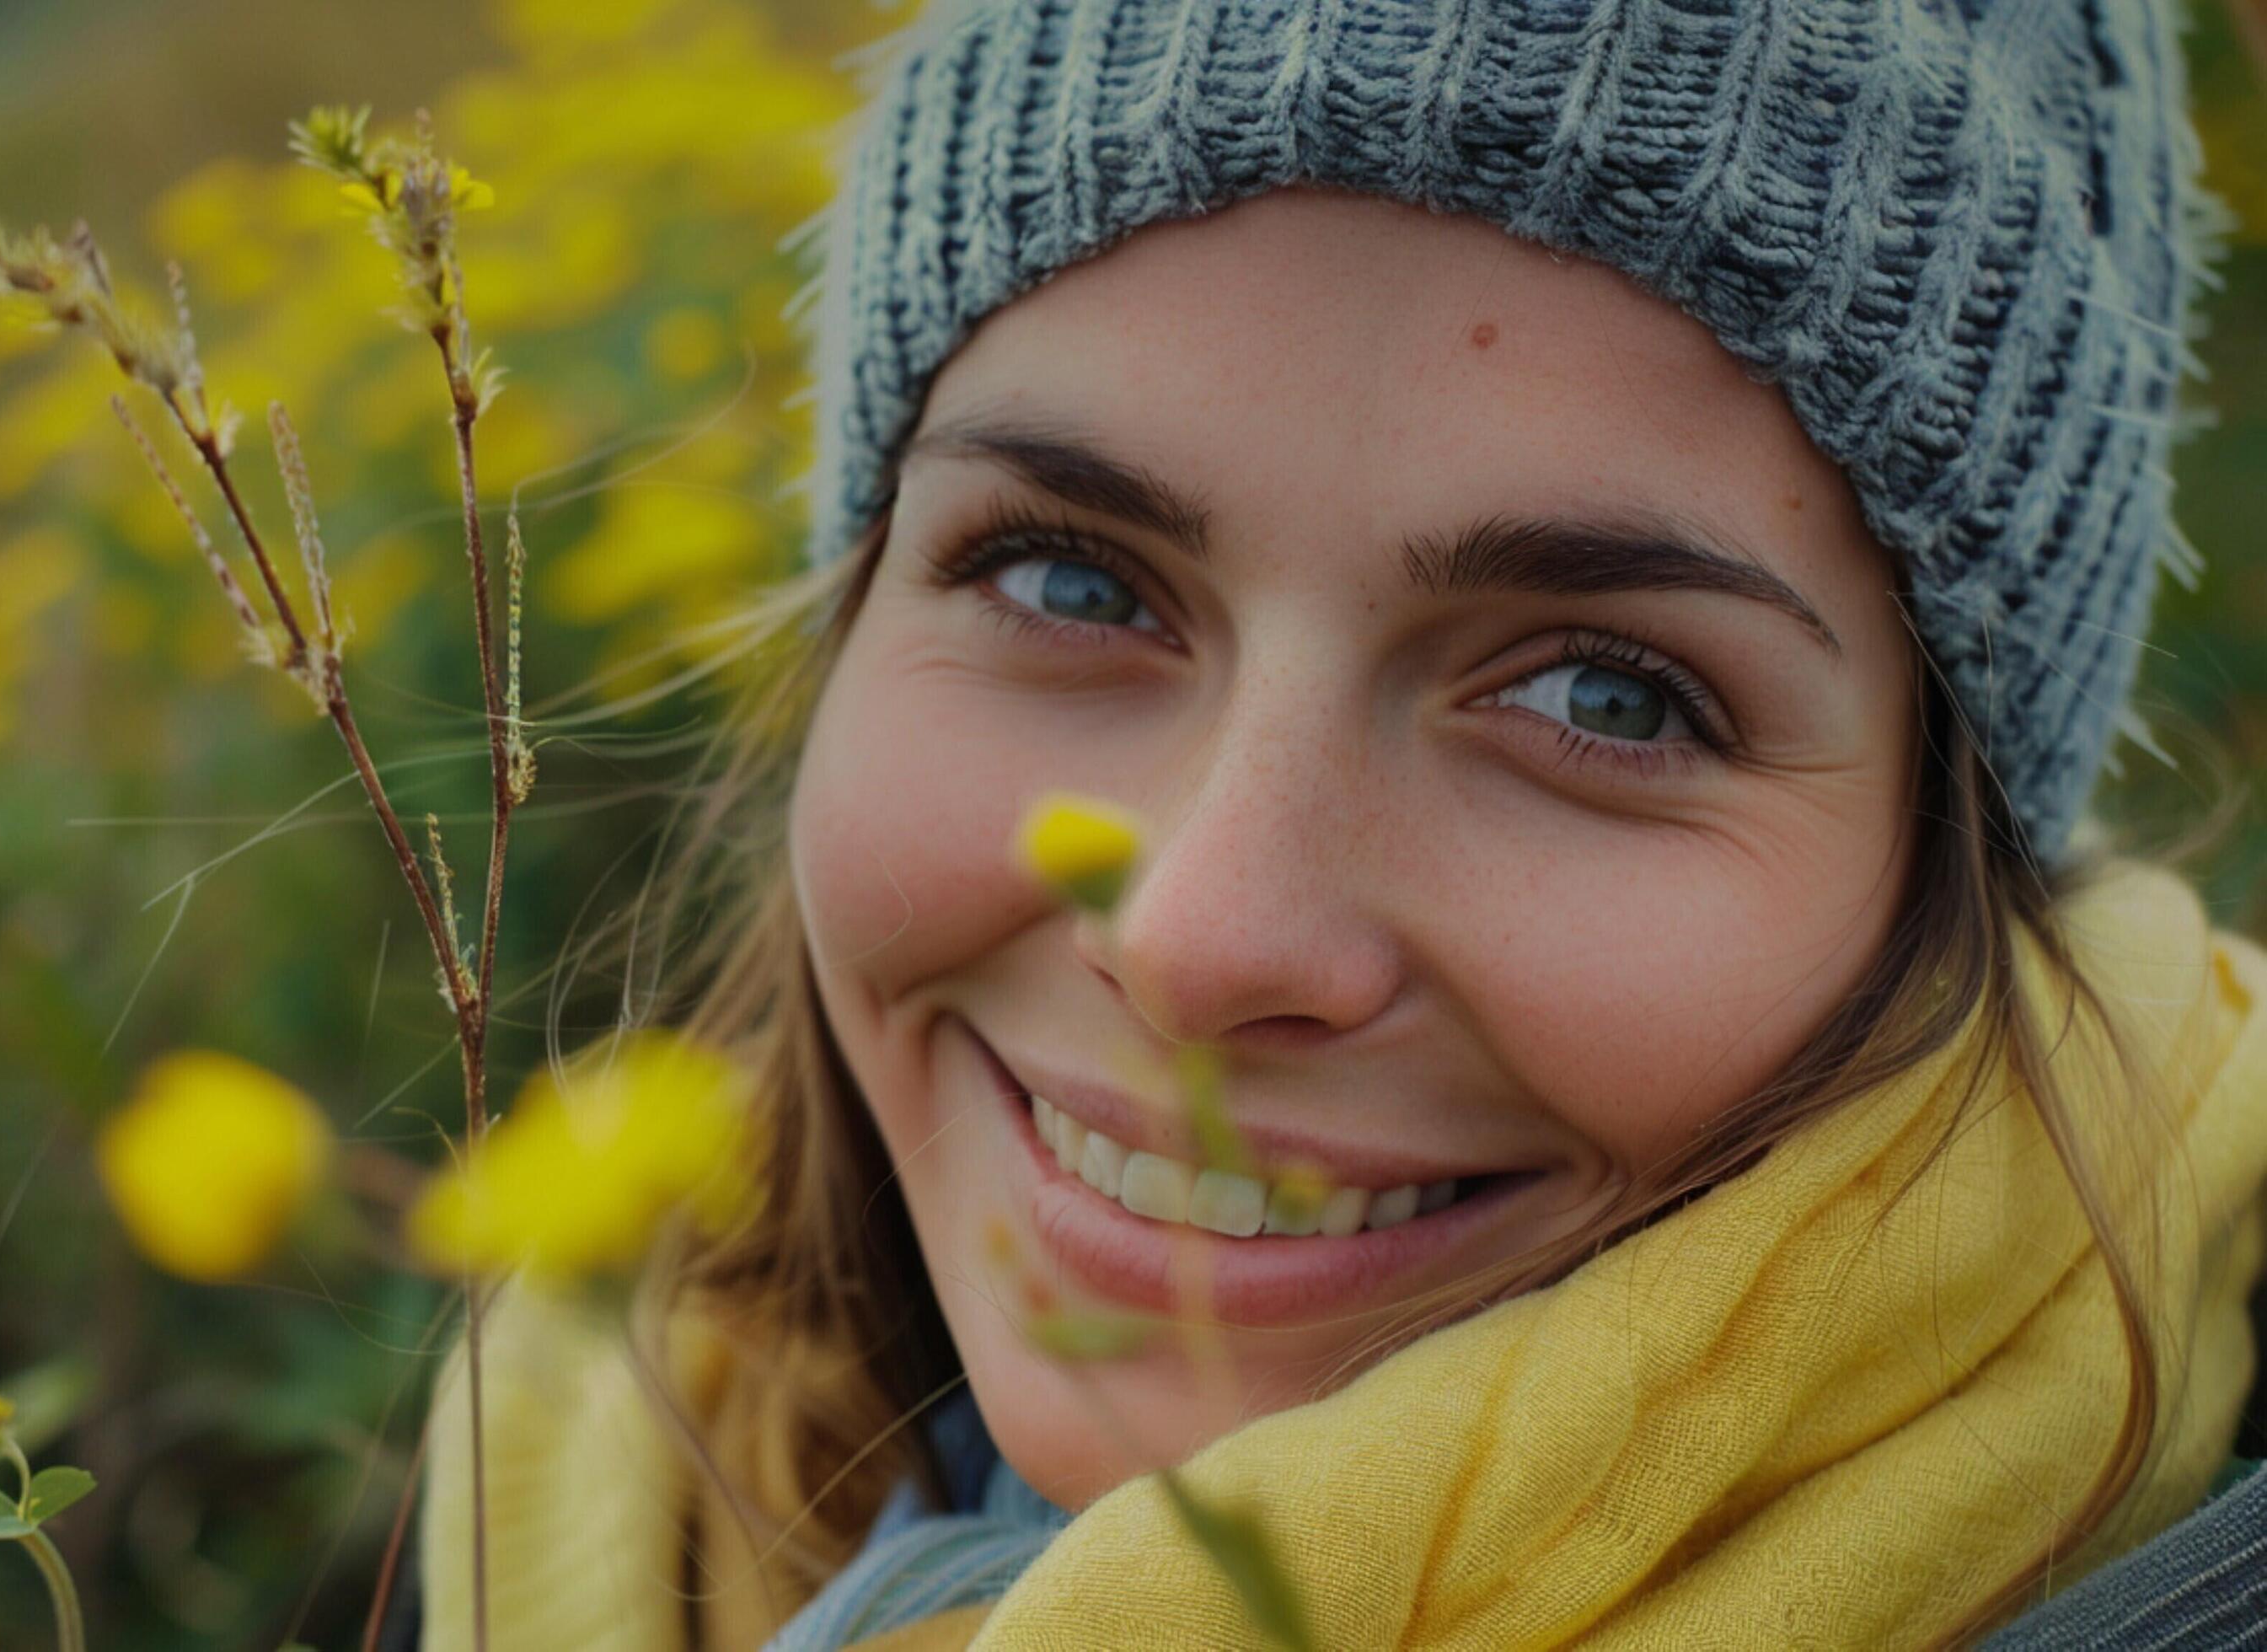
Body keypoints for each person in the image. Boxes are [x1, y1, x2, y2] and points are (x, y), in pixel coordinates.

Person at [408, 0, 2267, 1645]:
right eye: (1066, 580)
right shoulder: (578, 1449)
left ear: (1954, 866)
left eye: (1606, 695)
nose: (1201, 937)